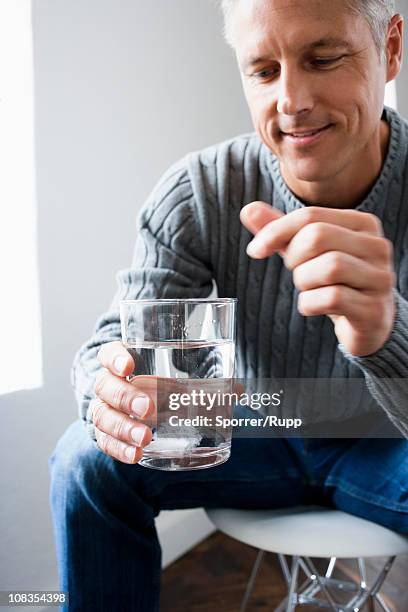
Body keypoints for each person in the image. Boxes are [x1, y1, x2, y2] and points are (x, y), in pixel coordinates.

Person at [49, 1, 408, 610]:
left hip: (388, 441)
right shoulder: (200, 191)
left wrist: (387, 334)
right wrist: (115, 393)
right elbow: (115, 343)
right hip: (257, 423)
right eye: (263, 71)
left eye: (323, 59)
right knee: (85, 461)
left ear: (391, 49)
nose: (291, 101)